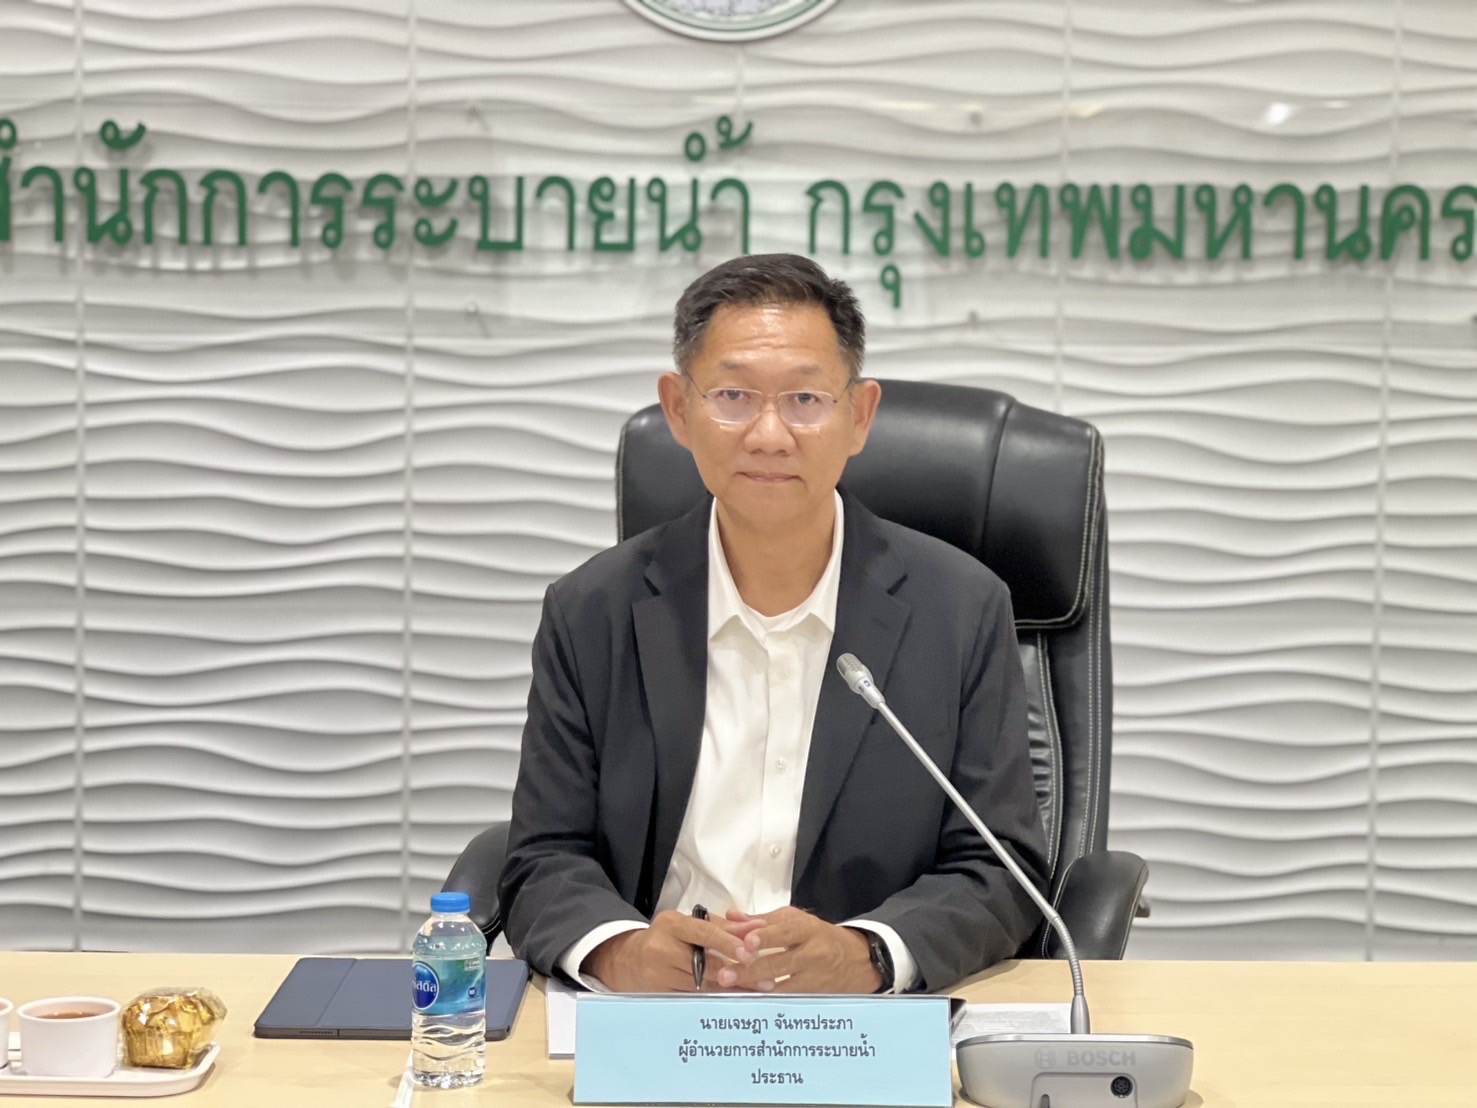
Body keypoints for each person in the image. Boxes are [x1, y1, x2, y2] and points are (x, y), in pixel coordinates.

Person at [499, 253, 1048, 994]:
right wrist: (622, 953)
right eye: (732, 395)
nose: (767, 434)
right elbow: (542, 858)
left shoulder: (960, 608)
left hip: (860, 1025)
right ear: (678, 409)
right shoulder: (591, 611)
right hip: (653, 1019)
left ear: (859, 416)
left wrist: (866, 954)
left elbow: (1001, 867)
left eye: (804, 399)